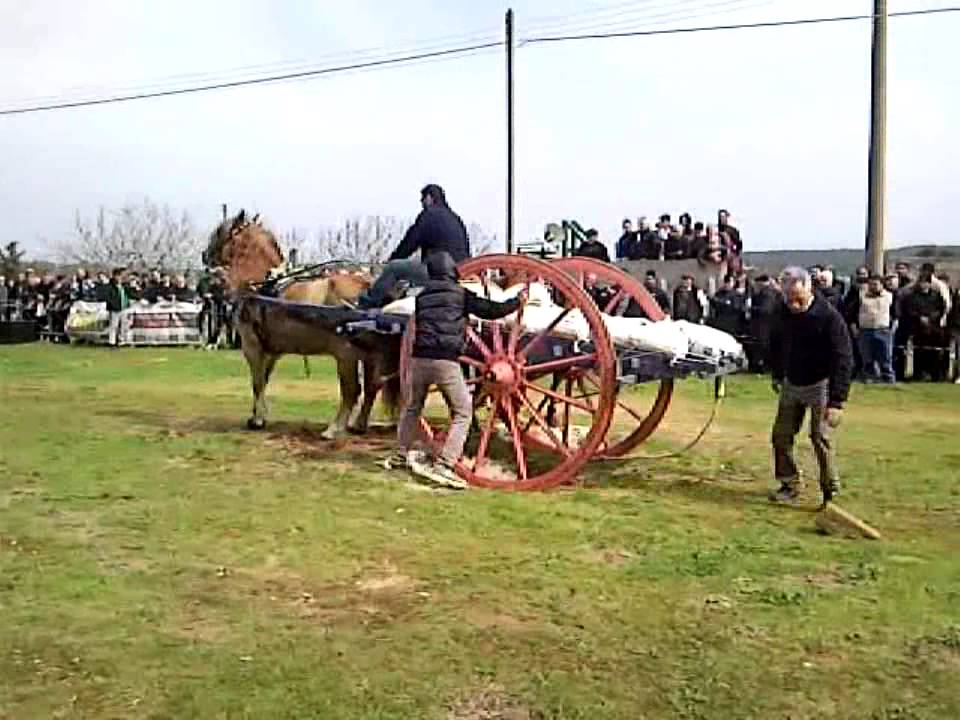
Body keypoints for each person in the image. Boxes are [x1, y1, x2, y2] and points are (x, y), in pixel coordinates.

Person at [396, 252, 524, 488]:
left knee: (413, 407)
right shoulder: (460, 295)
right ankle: (445, 464)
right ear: (453, 272)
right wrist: (516, 303)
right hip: (445, 361)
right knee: (463, 411)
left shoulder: (422, 297)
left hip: (418, 360)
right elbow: (489, 310)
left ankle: (400, 454)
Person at [768, 267, 853, 504]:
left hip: (821, 384)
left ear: (809, 288)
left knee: (820, 437)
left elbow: (843, 358)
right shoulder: (781, 313)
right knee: (781, 436)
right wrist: (777, 374)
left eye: (798, 299)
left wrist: (837, 401)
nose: (793, 305)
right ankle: (789, 483)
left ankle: (830, 490)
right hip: (792, 382)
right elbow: (776, 344)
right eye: (788, 299)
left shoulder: (829, 317)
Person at [359, 184, 471, 309]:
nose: (421, 203)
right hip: (462, 270)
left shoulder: (429, 215)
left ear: (429, 197)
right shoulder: (455, 218)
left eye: (422, 199)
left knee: (394, 268)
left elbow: (410, 242)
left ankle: (369, 302)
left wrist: (392, 260)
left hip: (437, 272)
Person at [903, 272, 947, 381]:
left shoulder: (936, 296)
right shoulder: (912, 296)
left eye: (925, 282)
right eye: (921, 282)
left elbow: (941, 309)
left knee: (934, 352)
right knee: (918, 352)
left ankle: (935, 375)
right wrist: (919, 317)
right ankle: (918, 374)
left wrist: (931, 318)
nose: (923, 285)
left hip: (933, 329)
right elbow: (909, 309)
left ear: (929, 284)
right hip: (917, 328)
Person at [855, 274, 895, 384]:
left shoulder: (890, 296)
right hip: (865, 330)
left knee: (885, 356)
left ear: (882, 285)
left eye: (875, 284)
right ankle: (869, 377)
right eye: (871, 284)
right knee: (867, 356)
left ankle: (888, 378)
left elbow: (895, 313)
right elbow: (853, 311)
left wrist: (892, 327)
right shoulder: (861, 296)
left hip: (883, 330)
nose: (873, 286)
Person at [747, 274, 781, 373]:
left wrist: (750, 308)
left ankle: (764, 367)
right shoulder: (762, 293)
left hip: (765, 325)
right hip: (762, 324)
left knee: (763, 346)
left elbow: (766, 310)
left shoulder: (767, 294)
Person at [104, 267, 130, 347]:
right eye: (118, 276)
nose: (120, 278)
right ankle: (112, 342)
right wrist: (113, 305)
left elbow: (128, 295)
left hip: (123, 308)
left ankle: (121, 341)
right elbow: (108, 297)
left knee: (123, 325)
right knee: (113, 326)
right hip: (114, 309)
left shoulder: (124, 286)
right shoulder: (110, 286)